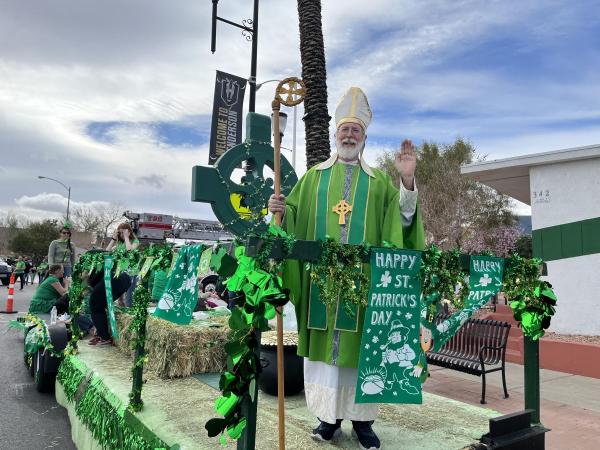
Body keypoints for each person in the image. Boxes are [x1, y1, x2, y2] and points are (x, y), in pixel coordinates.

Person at [268, 87, 425, 450]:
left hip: (363, 288)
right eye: (344, 130)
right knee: (327, 360)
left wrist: (406, 181)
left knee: (361, 355)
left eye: (356, 131)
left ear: (365, 138)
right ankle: (328, 418)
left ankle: (364, 421)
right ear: (336, 135)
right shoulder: (313, 178)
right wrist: (278, 207)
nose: (349, 135)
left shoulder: (381, 183)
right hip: (321, 285)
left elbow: (401, 224)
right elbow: (290, 217)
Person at [106, 223, 140, 307]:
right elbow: (107, 251)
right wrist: (113, 239)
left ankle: (129, 313)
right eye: (120, 233)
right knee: (119, 298)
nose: (121, 235)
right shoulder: (119, 244)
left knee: (129, 297)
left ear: (129, 232)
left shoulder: (135, 241)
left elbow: (130, 251)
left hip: (131, 272)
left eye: (123, 233)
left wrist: (126, 237)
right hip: (120, 272)